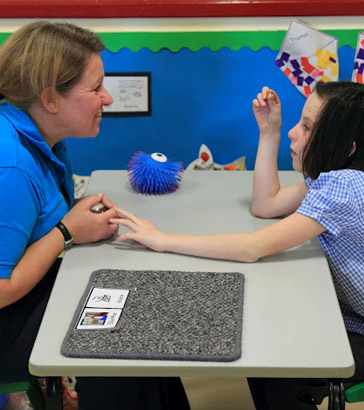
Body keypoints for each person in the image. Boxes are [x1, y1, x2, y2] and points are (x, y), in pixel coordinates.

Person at [110, 81, 364, 409]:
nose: (292, 132)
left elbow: (252, 247)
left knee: (273, 354)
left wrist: (162, 239)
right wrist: (269, 132)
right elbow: (266, 204)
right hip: (347, 313)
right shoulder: (335, 176)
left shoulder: (345, 187)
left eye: (306, 127)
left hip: (355, 327)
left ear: (347, 147)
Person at [0, 21, 190, 410]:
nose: (107, 98)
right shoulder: (12, 167)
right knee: (125, 327)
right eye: (96, 87)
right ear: (51, 98)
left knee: (139, 296)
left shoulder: (39, 136)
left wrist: (73, 223)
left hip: (28, 292)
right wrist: (68, 232)